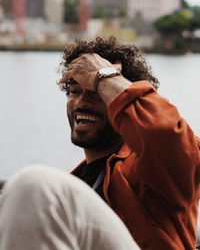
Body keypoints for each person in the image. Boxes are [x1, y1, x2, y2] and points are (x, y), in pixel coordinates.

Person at [0, 36, 199, 250]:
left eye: (96, 92)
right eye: (74, 91)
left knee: (35, 184)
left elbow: (167, 135)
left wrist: (105, 77)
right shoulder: (75, 186)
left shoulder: (151, 172)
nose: (82, 102)